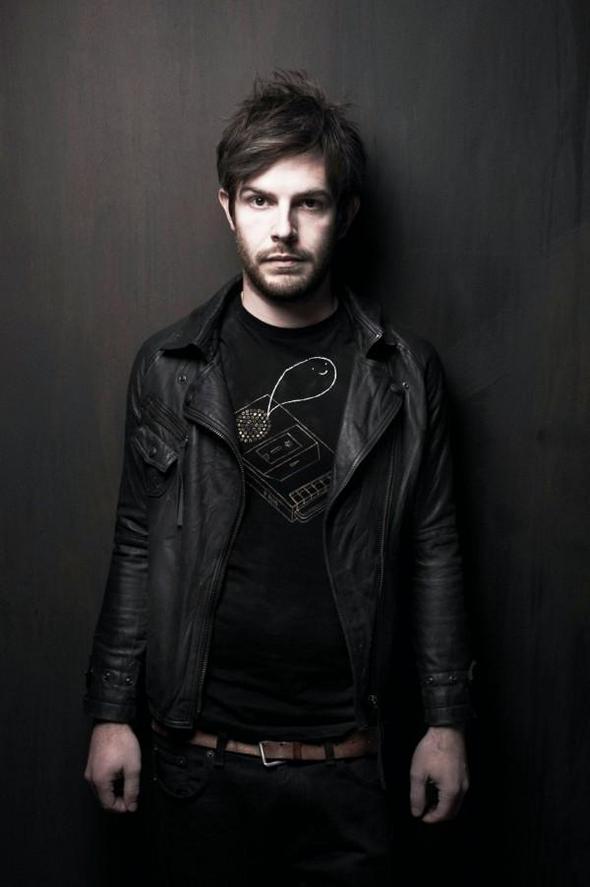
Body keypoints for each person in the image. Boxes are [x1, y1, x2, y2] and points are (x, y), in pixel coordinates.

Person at [84, 70, 471, 885]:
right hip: (198, 765)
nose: (284, 228)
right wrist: (111, 711)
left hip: (349, 768)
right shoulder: (168, 368)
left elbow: (434, 549)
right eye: (260, 200)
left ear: (346, 214)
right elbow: (137, 543)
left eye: (309, 203)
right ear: (227, 208)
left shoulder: (404, 374)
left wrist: (447, 721)